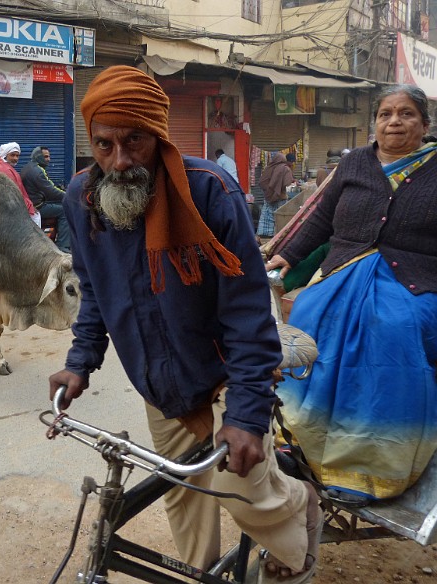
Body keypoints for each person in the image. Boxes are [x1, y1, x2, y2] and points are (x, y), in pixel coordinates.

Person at [49, 65, 322, 584]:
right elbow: (95, 296)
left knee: (245, 495)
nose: (120, 160)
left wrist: (245, 411)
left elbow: (247, 310)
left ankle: (299, 510)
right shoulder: (82, 198)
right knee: (183, 495)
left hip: (225, 376)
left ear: (158, 134)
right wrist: (78, 363)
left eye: (135, 141)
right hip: (158, 386)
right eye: (105, 145)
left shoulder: (210, 191)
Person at [266, 84, 437, 505]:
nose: (394, 121)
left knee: (394, 329)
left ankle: (374, 462)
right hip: (343, 272)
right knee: (307, 310)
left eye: (406, 114)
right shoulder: (356, 163)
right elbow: (321, 219)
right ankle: (299, 439)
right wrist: (286, 255)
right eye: (385, 114)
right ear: (374, 122)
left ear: (425, 124)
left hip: (413, 280)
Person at [21, 146, 71, 252]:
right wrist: (69, 196)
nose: (49, 159)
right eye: (46, 157)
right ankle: (63, 246)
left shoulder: (29, 167)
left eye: (49, 156)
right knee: (65, 211)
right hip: (38, 206)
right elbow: (51, 191)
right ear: (39, 157)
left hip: (33, 201)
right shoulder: (38, 172)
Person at [0, 142, 41, 227]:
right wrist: (29, 207)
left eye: (17, 156)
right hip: (10, 207)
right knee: (36, 216)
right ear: (5, 155)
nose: (15, 158)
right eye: (12, 155)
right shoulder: (5, 170)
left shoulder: (2, 166)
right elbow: (14, 193)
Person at [256, 152, 296, 238]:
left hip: (268, 196)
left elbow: (262, 182)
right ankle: (278, 236)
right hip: (280, 197)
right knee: (279, 217)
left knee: (267, 216)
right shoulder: (285, 169)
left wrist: (270, 190)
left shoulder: (268, 168)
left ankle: (265, 235)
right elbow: (287, 183)